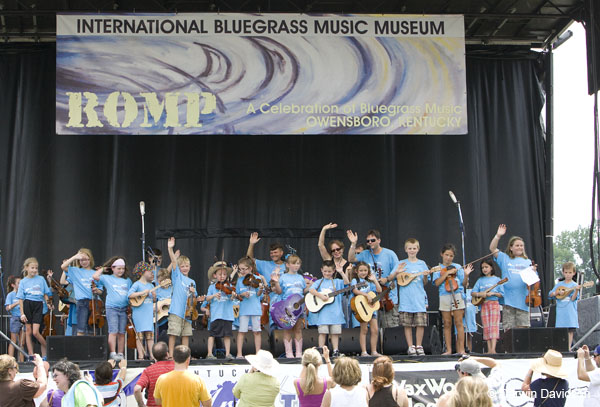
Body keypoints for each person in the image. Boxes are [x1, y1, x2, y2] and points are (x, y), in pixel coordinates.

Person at [347, 229, 401, 328]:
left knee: (390, 329)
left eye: (373, 240)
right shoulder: (365, 253)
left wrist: (387, 279)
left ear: (379, 240)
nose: (370, 242)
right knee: (373, 331)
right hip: (369, 299)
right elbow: (351, 259)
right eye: (368, 241)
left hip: (387, 297)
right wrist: (353, 244)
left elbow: (397, 271)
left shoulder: (390, 254)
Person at [489, 224, 535, 331]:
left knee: (523, 330)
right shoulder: (504, 258)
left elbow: (532, 283)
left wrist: (533, 273)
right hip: (508, 300)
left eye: (521, 245)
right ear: (511, 247)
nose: (520, 247)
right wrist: (498, 235)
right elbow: (492, 248)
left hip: (523, 301)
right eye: (517, 245)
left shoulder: (528, 262)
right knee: (509, 331)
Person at [432, 244, 473, 355]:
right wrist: (446, 274)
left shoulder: (457, 266)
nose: (448, 258)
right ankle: (448, 350)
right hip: (444, 295)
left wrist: (466, 275)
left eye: (451, 256)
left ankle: (461, 349)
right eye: (446, 255)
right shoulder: (438, 268)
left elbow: (464, 284)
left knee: (459, 322)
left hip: (457, 294)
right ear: (442, 254)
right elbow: (436, 283)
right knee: (447, 323)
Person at [271, 254, 312, 358]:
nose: (296, 266)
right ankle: (289, 353)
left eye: (298, 263)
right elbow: (279, 292)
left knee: (298, 329)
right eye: (294, 263)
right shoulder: (283, 277)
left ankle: (298, 353)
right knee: (288, 329)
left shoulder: (300, 277)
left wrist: (311, 286)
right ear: (287, 265)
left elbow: (303, 291)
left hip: (299, 307)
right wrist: (276, 282)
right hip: (287, 308)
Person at [166, 237, 200, 356]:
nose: (185, 268)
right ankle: (170, 355)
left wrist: (194, 293)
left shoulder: (192, 281)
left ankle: (185, 355)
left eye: (187, 266)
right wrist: (170, 249)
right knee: (173, 333)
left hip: (188, 313)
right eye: (182, 266)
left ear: (190, 267)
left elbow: (194, 299)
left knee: (186, 334)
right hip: (176, 311)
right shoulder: (177, 277)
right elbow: (174, 262)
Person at [93, 257, 132, 360]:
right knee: (113, 331)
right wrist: (103, 269)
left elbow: (130, 294)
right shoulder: (108, 278)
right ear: (113, 268)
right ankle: (113, 352)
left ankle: (120, 353)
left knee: (122, 332)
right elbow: (95, 276)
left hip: (123, 308)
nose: (121, 271)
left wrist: (129, 308)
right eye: (118, 268)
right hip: (112, 308)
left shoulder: (127, 280)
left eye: (123, 269)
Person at [308, 260, 350, 356]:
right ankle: (321, 351)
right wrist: (321, 296)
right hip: (323, 314)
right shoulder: (319, 282)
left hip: (336, 313)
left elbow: (347, 283)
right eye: (325, 271)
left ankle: (335, 351)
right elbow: (311, 290)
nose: (327, 273)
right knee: (322, 333)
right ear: (321, 270)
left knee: (335, 333)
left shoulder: (337, 282)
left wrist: (341, 272)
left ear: (333, 271)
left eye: (329, 271)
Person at [397, 238, 431, 356]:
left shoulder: (422, 264)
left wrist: (426, 276)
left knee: (420, 323)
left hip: (419, 298)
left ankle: (419, 345)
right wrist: (398, 273)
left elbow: (425, 282)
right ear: (406, 249)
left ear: (418, 249)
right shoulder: (402, 263)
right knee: (407, 324)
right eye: (410, 248)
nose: (412, 250)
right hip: (406, 299)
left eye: (414, 248)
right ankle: (410, 346)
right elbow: (397, 278)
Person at [17, 257, 53, 358]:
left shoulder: (41, 279)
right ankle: (31, 355)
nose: (34, 270)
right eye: (32, 268)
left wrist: (48, 303)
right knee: (28, 330)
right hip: (28, 304)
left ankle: (48, 348)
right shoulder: (23, 281)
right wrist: (22, 313)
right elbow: (20, 298)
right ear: (26, 268)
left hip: (38, 304)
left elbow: (45, 293)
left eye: (36, 268)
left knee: (35, 332)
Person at [318, 223, 354, 326]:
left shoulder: (348, 264)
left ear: (342, 249)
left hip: (342, 297)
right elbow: (320, 245)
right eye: (333, 250)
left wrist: (346, 272)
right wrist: (324, 229)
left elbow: (349, 284)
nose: (336, 252)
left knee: (343, 322)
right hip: (328, 295)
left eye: (338, 249)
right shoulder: (329, 260)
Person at [60, 249, 100, 336]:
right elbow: (63, 267)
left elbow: (100, 290)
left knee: (92, 330)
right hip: (81, 302)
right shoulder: (76, 271)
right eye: (82, 260)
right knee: (80, 329)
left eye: (86, 259)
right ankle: (80, 348)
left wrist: (96, 290)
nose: (84, 262)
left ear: (90, 259)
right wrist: (74, 257)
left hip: (93, 302)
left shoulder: (95, 273)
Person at [235, 256, 268, 358]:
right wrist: (242, 294)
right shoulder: (240, 280)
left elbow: (260, 296)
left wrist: (260, 289)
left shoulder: (257, 279)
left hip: (255, 309)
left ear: (250, 268)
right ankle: (239, 354)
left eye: (244, 269)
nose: (242, 271)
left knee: (257, 331)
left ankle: (258, 353)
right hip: (244, 310)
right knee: (242, 331)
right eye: (240, 269)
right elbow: (237, 295)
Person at [471, 259, 504, 354]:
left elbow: (502, 294)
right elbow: (473, 292)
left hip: (494, 304)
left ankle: (493, 349)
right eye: (482, 268)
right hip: (484, 305)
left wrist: (493, 293)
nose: (484, 269)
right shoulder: (480, 280)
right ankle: (489, 349)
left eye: (486, 267)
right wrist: (481, 294)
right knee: (486, 327)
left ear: (491, 268)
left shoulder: (497, 280)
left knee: (493, 326)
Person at [350, 261, 382, 357]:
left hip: (371, 308)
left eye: (365, 270)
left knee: (375, 330)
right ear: (356, 271)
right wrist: (366, 295)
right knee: (364, 330)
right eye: (361, 270)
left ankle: (374, 351)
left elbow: (379, 290)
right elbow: (354, 290)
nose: (363, 272)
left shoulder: (370, 282)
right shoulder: (355, 280)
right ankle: (364, 351)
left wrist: (375, 280)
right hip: (362, 308)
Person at [205, 262, 236, 359]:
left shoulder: (228, 286)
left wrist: (233, 295)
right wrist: (214, 295)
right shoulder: (212, 287)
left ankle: (228, 354)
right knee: (212, 334)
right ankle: (209, 353)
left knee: (227, 335)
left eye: (224, 274)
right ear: (215, 275)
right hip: (216, 315)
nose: (222, 276)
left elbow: (231, 299)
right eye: (220, 274)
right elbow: (207, 298)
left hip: (227, 315)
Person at [128, 261, 157, 360]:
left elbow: (154, 300)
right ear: (143, 272)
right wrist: (142, 292)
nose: (151, 273)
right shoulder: (137, 284)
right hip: (139, 313)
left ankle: (152, 355)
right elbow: (130, 295)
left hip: (148, 313)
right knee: (139, 335)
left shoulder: (151, 286)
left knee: (150, 335)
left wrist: (154, 297)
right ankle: (140, 356)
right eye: (149, 271)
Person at [549, 262, 580, 349]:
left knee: (570, 331)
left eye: (570, 273)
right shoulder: (559, 284)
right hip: (561, 313)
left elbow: (573, 299)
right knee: (561, 331)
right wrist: (557, 292)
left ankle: (568, 348)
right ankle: (561, 347)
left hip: (570, 312)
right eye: (566, 272)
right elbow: (550, 294)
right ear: (563, 272)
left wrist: (576, 290)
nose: (568, 275)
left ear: (574, 273)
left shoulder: (574, 285)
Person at [134, 342, 174, 407]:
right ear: (167, 354)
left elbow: (137, 389)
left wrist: (141, 404)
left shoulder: (148, 370)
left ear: (154, 356)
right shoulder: (176, 367)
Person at [5, 276, 26, 362]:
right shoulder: (10, 295)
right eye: (19, 283)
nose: (21, 285)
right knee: (13, 340)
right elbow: (7, 308)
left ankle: (22, 362)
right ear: (13, 285)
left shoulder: (24, 294)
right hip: (15, 318)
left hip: (23, 317)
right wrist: (18, 302)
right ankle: (10, 361)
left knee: (22, 342)